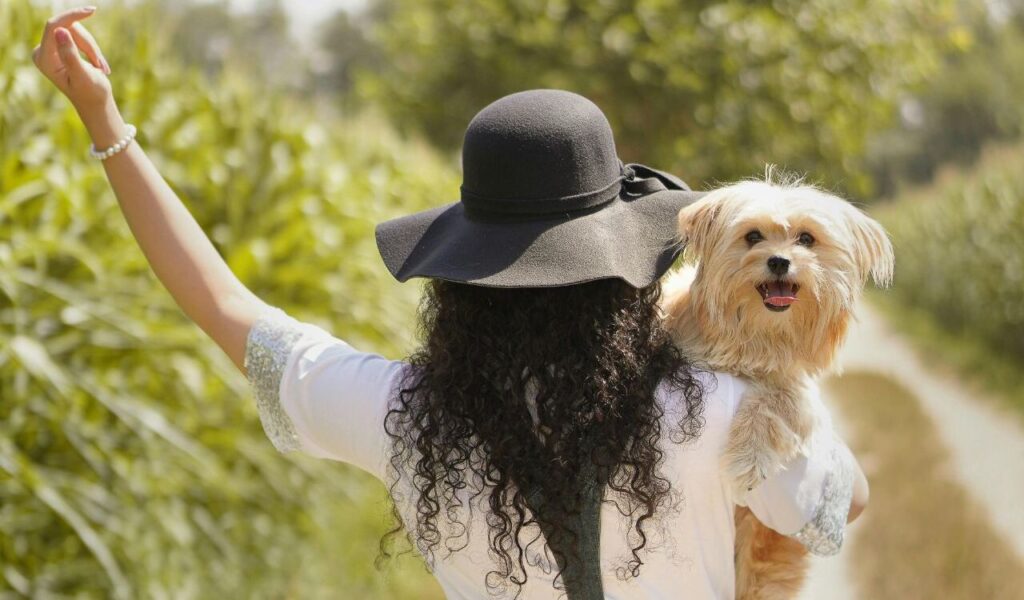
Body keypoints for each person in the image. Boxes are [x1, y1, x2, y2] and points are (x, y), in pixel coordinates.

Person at [34, 7, 868, 599]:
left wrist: (107, 125)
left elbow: (222, 304)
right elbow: (845, 502)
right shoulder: (719, 411)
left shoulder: (410, 416)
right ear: (625, 268)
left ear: (461, 278)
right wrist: (791, 393)